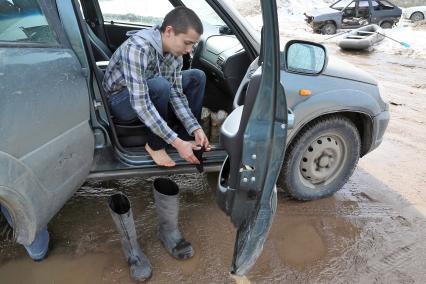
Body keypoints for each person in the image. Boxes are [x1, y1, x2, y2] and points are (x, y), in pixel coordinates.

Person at [103, 6, 210, 167]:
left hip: (148, 90)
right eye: (187, 43)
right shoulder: (138, 48)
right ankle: (155, 145)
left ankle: (186, 137)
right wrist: (175, 143)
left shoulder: (175, 55)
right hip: (118, 101)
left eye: (192, 45)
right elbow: (140, 103)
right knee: (160, 85)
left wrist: (195, 128)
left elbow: (175, 93)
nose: (188, 51)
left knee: (196, 77)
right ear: (169, 31)